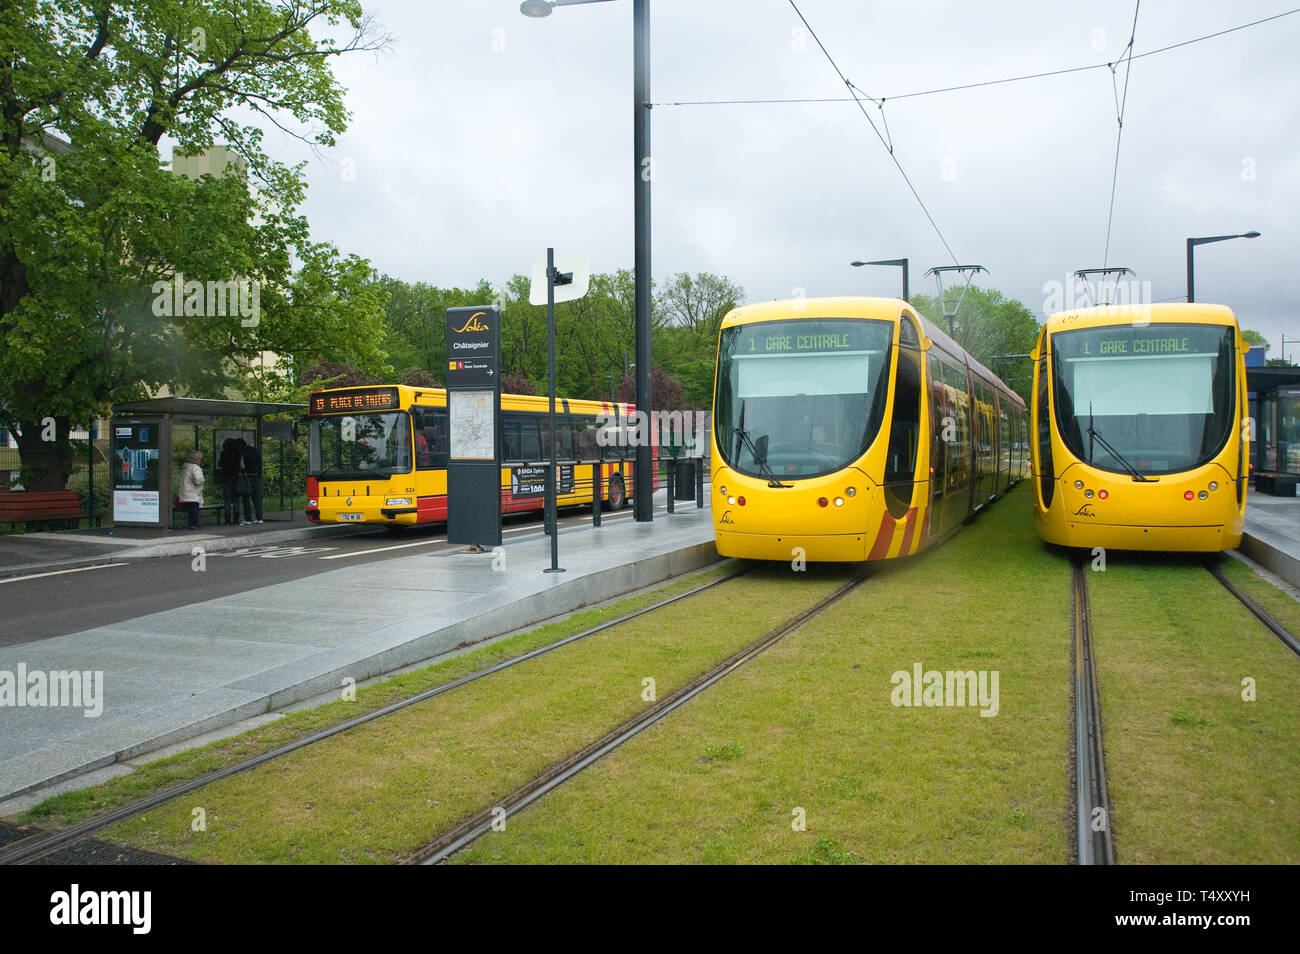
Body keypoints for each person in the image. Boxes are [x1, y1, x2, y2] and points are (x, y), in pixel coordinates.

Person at [238, 438, 263, 524]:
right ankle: (259, 518)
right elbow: (260, 463)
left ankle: (248, 519)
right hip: (256, 476)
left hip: (247, 477)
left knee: (246, 498)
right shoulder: (255, 451)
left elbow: (242, 466)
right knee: (257, 498)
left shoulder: (242, 453)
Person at [217, 438, 242, 524]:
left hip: (226, 478)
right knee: (235, 499)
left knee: (227, 499)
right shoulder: (238, 454)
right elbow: (240, 466)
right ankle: (236, 519)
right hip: (235, 478)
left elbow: (219, 464)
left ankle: (227, 520)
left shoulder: (224, 454)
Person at [178, 451, 205, 530]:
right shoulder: (195, 468)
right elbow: (198, 480)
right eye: (200, 459)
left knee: (191, 510)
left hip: (186, 492)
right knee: (194, 509)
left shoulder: (186, 467)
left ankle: (191, 524)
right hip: (193, 493)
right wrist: (201, 481)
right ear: (197, 459)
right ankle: (193, 525)